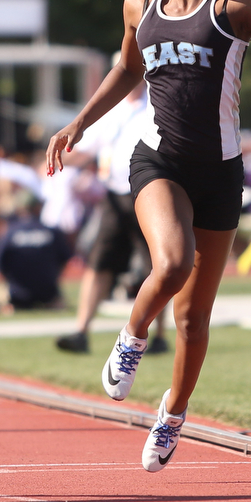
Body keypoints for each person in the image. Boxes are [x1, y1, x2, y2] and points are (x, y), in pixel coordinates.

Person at [46, 0, 251, 472]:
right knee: (172, 262)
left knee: (195, 318)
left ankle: (173, 413)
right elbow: (127, 68)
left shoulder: (240, 4)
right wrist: (77, 123)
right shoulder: (138, 5)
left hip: (220, 172)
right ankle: (132, 334)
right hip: (158, 162)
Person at [55, 78, 169, 354]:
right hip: (115, 194)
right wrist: (58, 155)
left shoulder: (155, 104)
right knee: (99, 262)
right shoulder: (111, 111)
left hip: (148, 192)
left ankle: (160, 335)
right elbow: (86, 151)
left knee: (159, 267)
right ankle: (81, 331)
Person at [0, 189, 72, 313]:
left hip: (17, 294)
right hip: (48, 293)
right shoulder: (53, 232)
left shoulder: (8, 233)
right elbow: (66, 259)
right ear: (38, 208)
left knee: (1, 293)